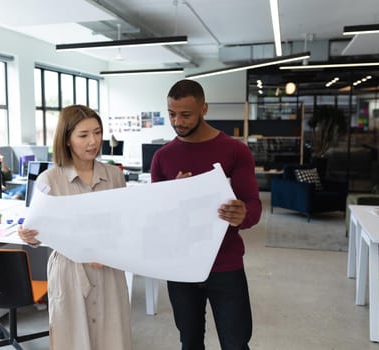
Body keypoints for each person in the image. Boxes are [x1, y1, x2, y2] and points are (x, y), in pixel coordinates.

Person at [151, 79, 262, 350]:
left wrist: (242, 214)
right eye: (172, 114)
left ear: (204, 109)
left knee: (236, 343)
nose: (177, 121)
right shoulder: (162, 158)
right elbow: (156, 218)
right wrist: (174, 198)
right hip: (181, 264)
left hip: (225, 262)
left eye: (186, 114)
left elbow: (254, 206)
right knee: (189, 342)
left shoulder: (236, 151)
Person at [17, 105, 133, 350]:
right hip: (69, 273)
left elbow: (124, 224)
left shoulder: (114, 176)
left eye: (98, 132)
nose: (93, 141)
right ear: (67, 139)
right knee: (72, 340)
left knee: (113, 338)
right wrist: (28, 235)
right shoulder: (49, 180)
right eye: (83, 135)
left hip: (108, 268)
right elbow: (38, 231)